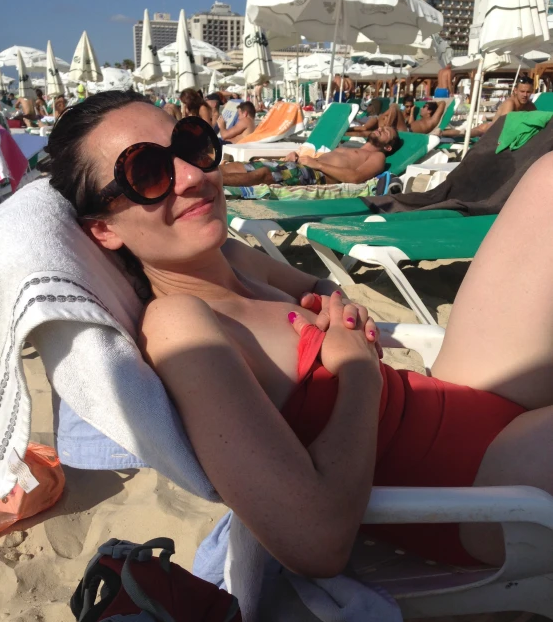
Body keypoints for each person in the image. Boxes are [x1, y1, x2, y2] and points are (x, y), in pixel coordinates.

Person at [45, 90, 553, 577]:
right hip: (470, 485)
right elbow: (316, 542)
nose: (193, 176)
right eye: (147, 173)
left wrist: (342, 308)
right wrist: (358, 374)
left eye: (191, 145)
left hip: (455, 395)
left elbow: (320, 283)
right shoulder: (181, 325)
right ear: (103, 230)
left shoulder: (231, 257)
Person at [221, 126, 400, 187]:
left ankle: (210, 180)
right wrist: (297, 158)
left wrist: (317, 165)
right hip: (302, 166)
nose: (381, 128)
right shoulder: (352, 146)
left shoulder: (377, 157)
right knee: (235, 166)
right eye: (383, 127)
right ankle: (205, 172)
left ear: (388, 146)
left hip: (316, 175)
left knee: (262, 174)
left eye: (386, 132)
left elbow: (355, 178)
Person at [443, 75, 537, 139]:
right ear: (515, 91)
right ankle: (440, 134)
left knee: (465, 132)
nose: (525, 95)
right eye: (522, 91)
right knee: (464, 133)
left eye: (528, 92)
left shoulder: (530, 106)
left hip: (494, 128)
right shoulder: (510, 103)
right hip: (490, 130)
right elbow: (504, 125)